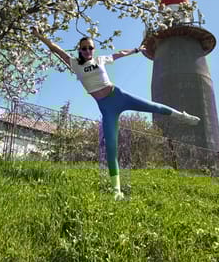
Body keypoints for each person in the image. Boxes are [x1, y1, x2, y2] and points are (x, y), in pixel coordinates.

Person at [32, 30, 200, 200]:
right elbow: (56, 49)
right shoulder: (75, 64)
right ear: (80, 50)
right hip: (106, 108)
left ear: (93, 49)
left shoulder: (100, 60)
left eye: (90, 48)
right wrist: (41, 37)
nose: (87, 51)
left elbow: (118, 54)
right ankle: (116, 190)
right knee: (111, 148)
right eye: (84, 48)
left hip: (118, 96)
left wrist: (136, 50)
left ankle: (181, 115)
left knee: (153, 106)